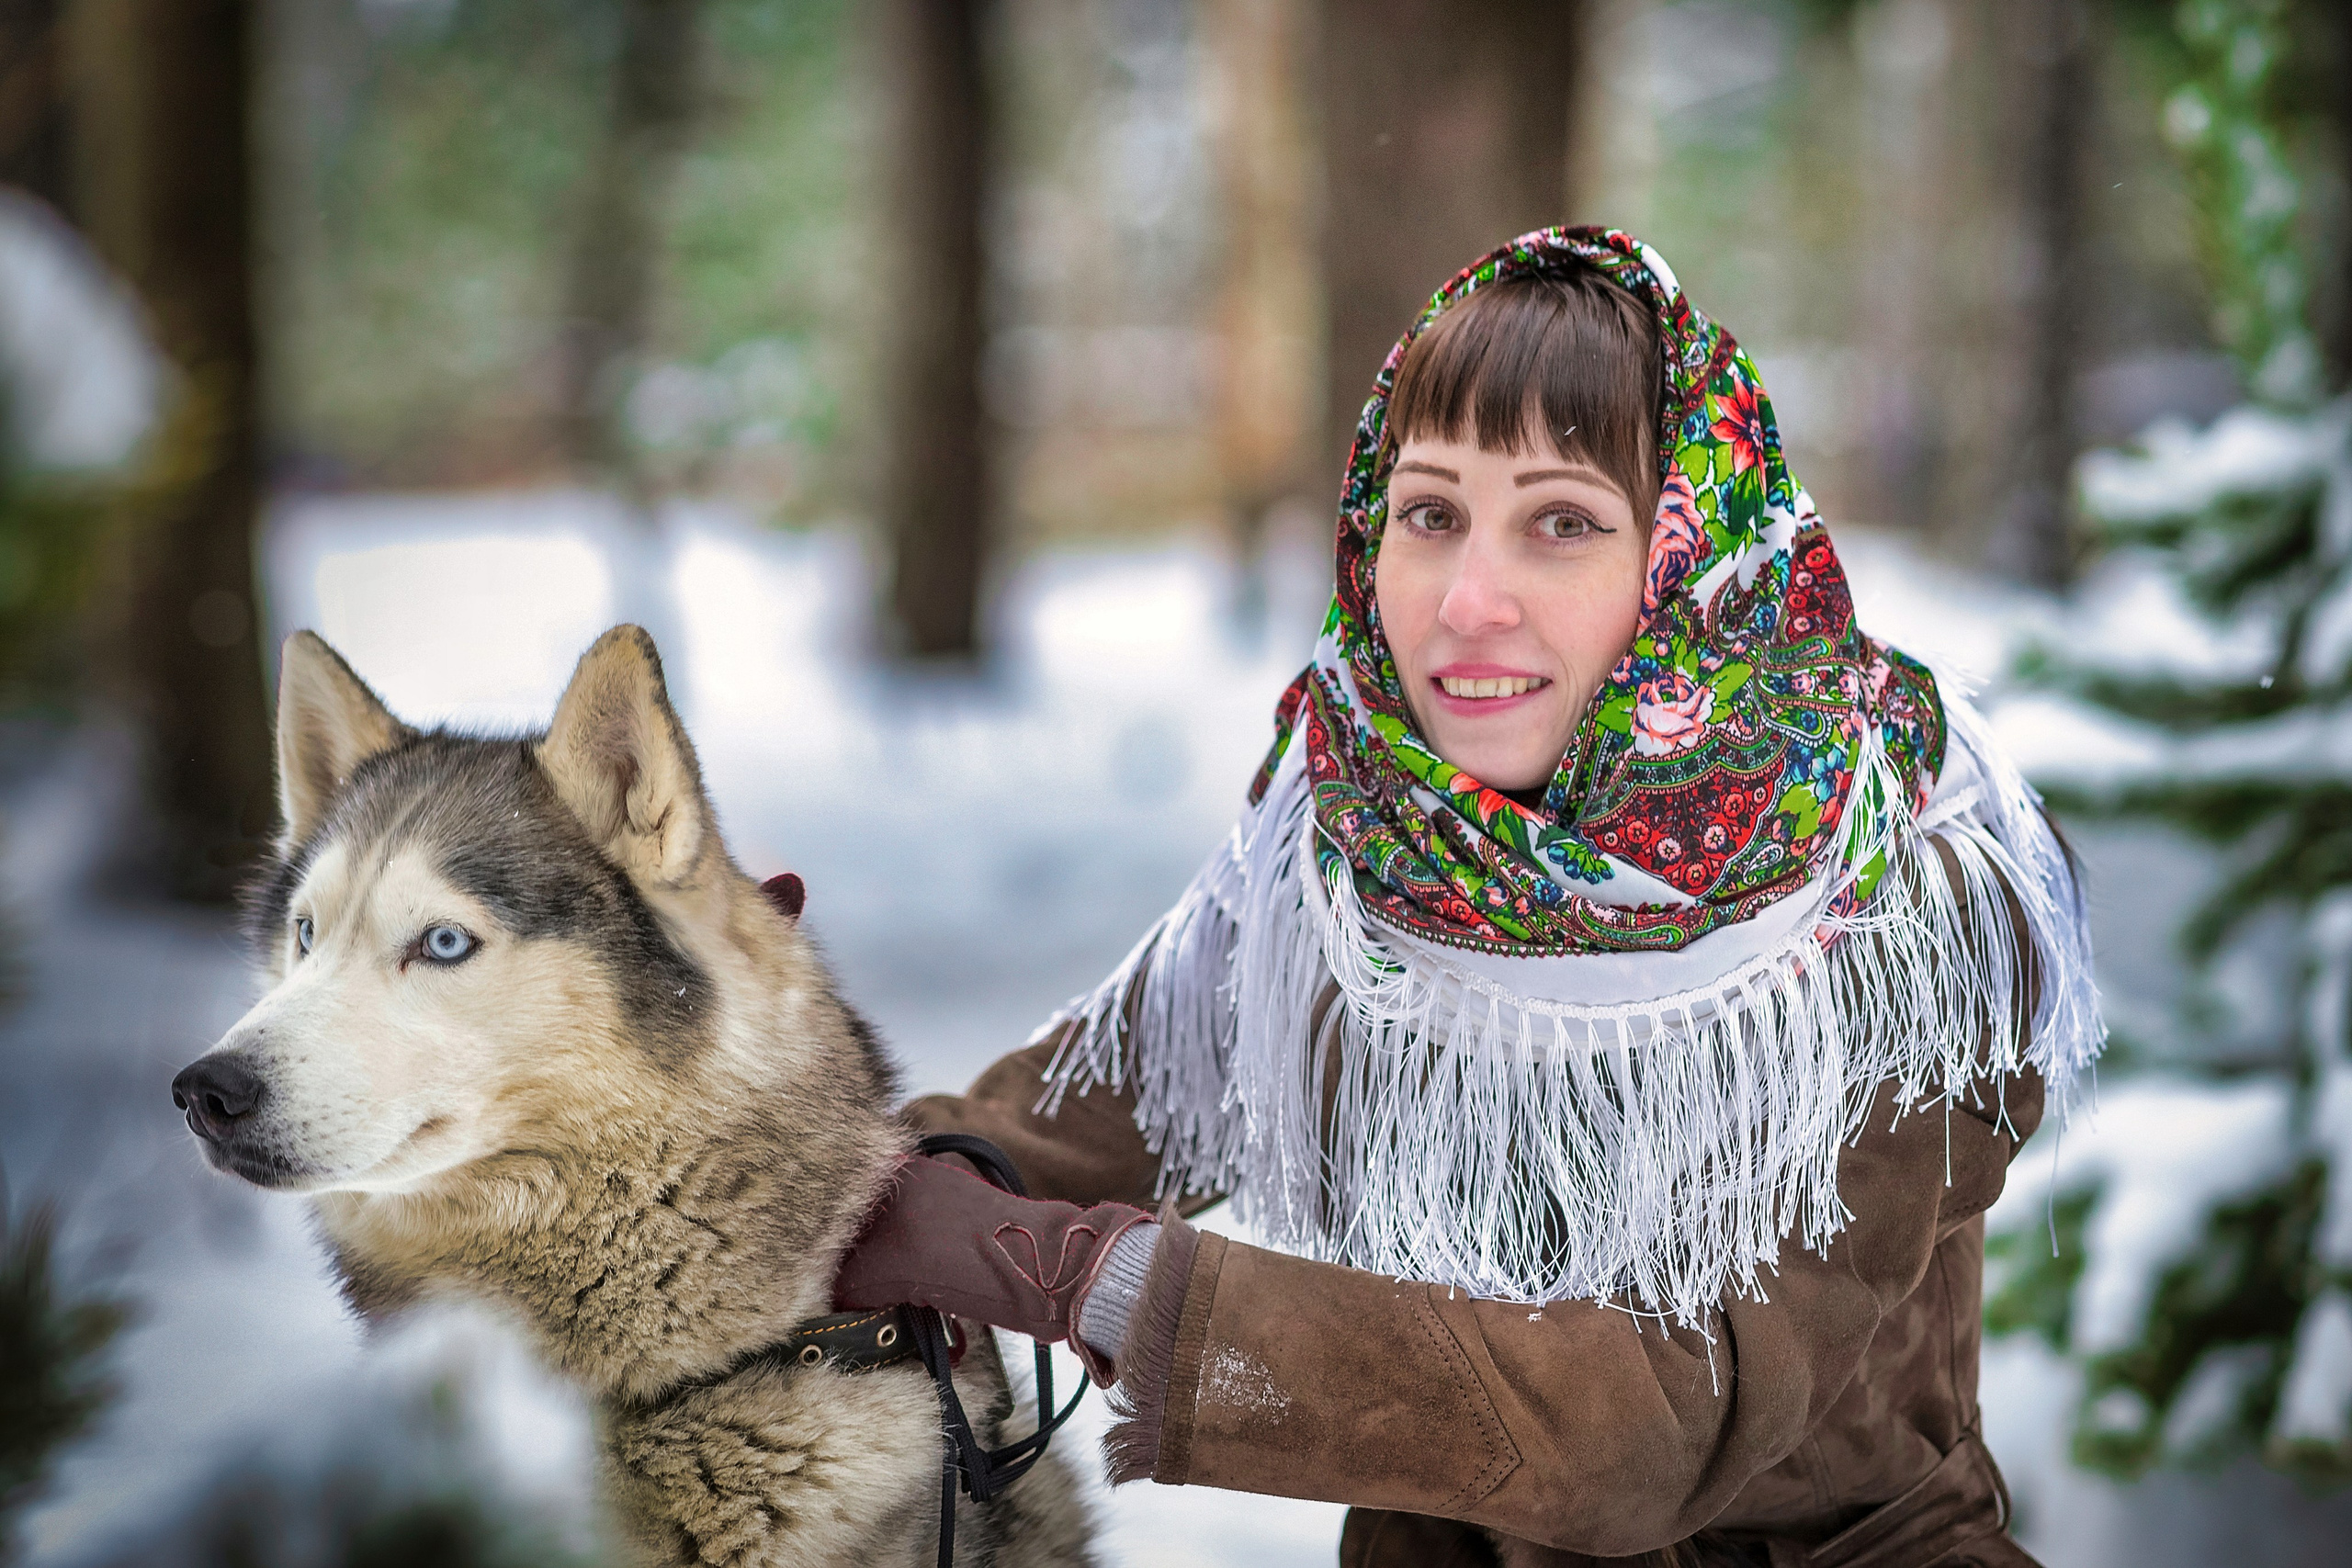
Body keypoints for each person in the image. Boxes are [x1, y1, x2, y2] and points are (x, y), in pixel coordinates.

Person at [832, 227, 2102, 1568]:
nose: (1470, 603)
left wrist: (1091, 1279)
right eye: (1431, 515)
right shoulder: (1363, 835)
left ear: (1691, 564)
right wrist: (825, 1166)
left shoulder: (1897, 892)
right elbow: (1097, 1103)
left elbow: (1637, 1425)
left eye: (1562, 523)